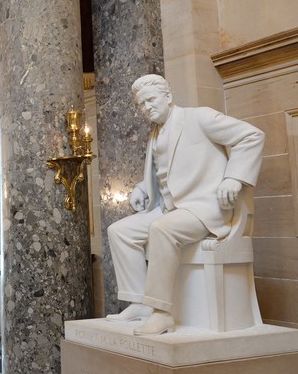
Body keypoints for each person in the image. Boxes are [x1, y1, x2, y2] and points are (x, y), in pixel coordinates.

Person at [106, 74, 264, 335]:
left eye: (151, 100)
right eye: (141, 104)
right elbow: (170, 172)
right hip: (170, 209)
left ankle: (161, 314)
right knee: (119, 231)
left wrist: (234, 178)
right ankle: (139, 302)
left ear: (168, 96)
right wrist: (141, 188)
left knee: (161, 229)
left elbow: (251, 136)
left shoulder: (199, 117)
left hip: (203, 208)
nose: (146, 107)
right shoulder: (154, 134)